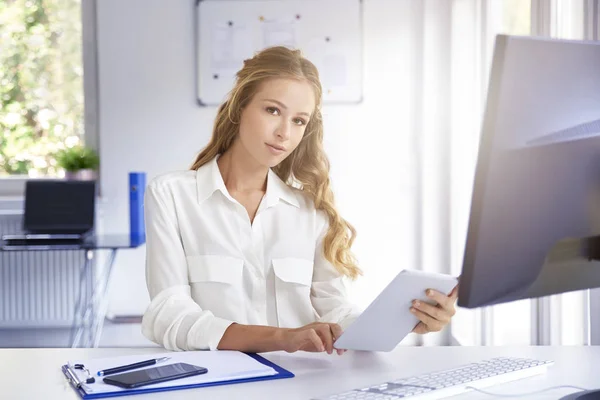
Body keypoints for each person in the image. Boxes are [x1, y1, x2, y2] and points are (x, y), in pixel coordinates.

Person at [141, 46, 457, 354]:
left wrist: (402, 321)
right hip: (217, 385)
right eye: (272, 110)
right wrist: (282, 338)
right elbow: (170, 315)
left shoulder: (310, 211)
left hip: (302, 383)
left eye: (299, 121)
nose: (284, 133)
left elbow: (334, 310)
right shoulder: (172, 195)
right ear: (239, 108)